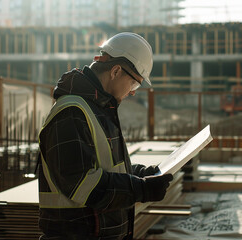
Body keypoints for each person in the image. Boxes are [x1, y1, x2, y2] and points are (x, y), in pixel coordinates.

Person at [38, 32, 173, 240]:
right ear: (116, 71)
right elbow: (82, 185)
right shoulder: (72, 112)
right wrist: (141, 189)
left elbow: (106, 169)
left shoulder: (99, 109)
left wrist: (139, 174)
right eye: (135, 83)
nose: (133, 92)